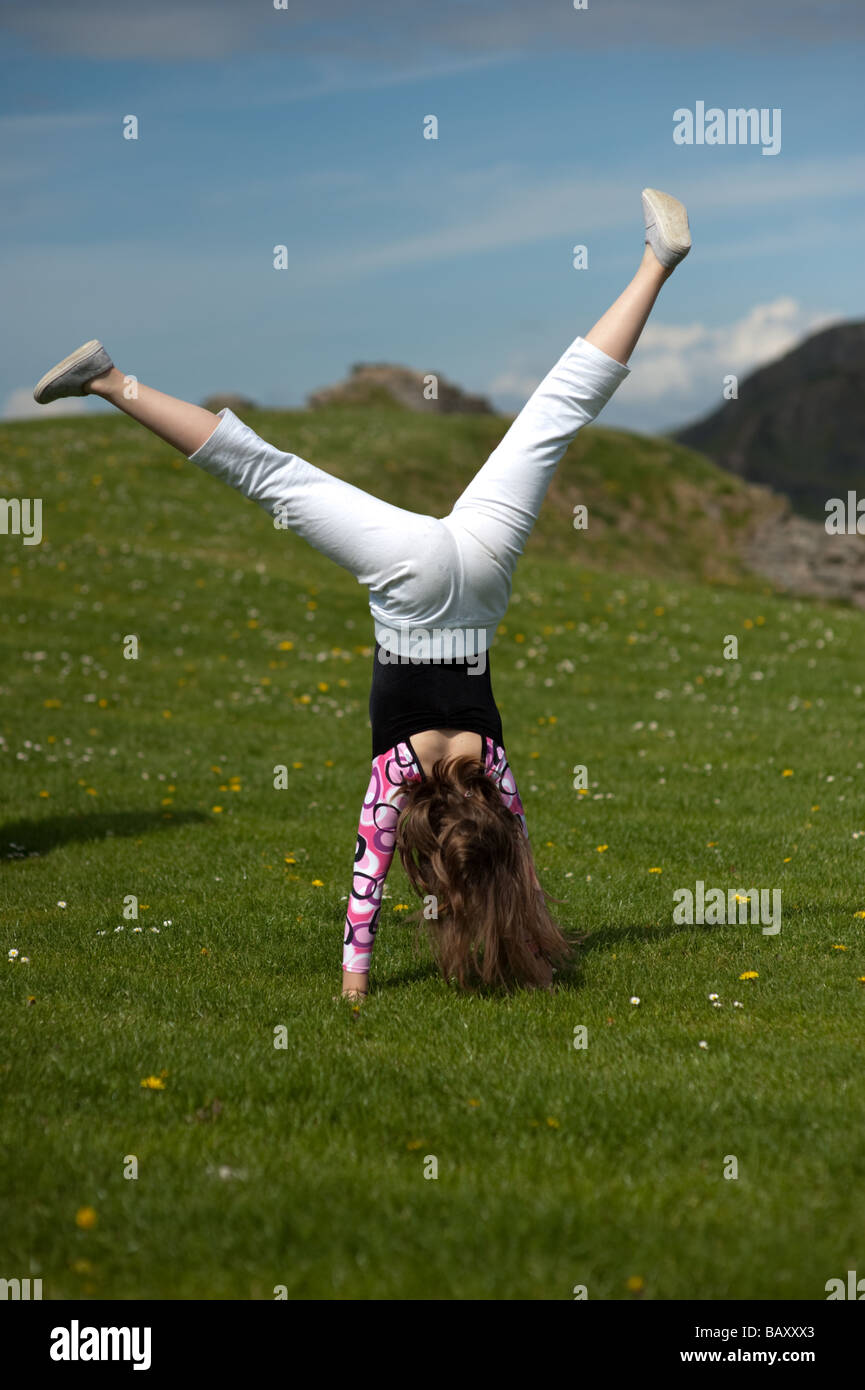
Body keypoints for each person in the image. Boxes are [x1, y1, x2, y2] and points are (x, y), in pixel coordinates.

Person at [33, 187, 691, 1000]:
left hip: (481, 579)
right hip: (411, 582)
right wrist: (354, 986)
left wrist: (513, 924)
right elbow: (363, 891)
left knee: (554, 411)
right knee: (267, 474)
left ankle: (655, 262)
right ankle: (107, 379)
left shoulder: (494, 774)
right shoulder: (394, 779)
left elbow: (508, 857)